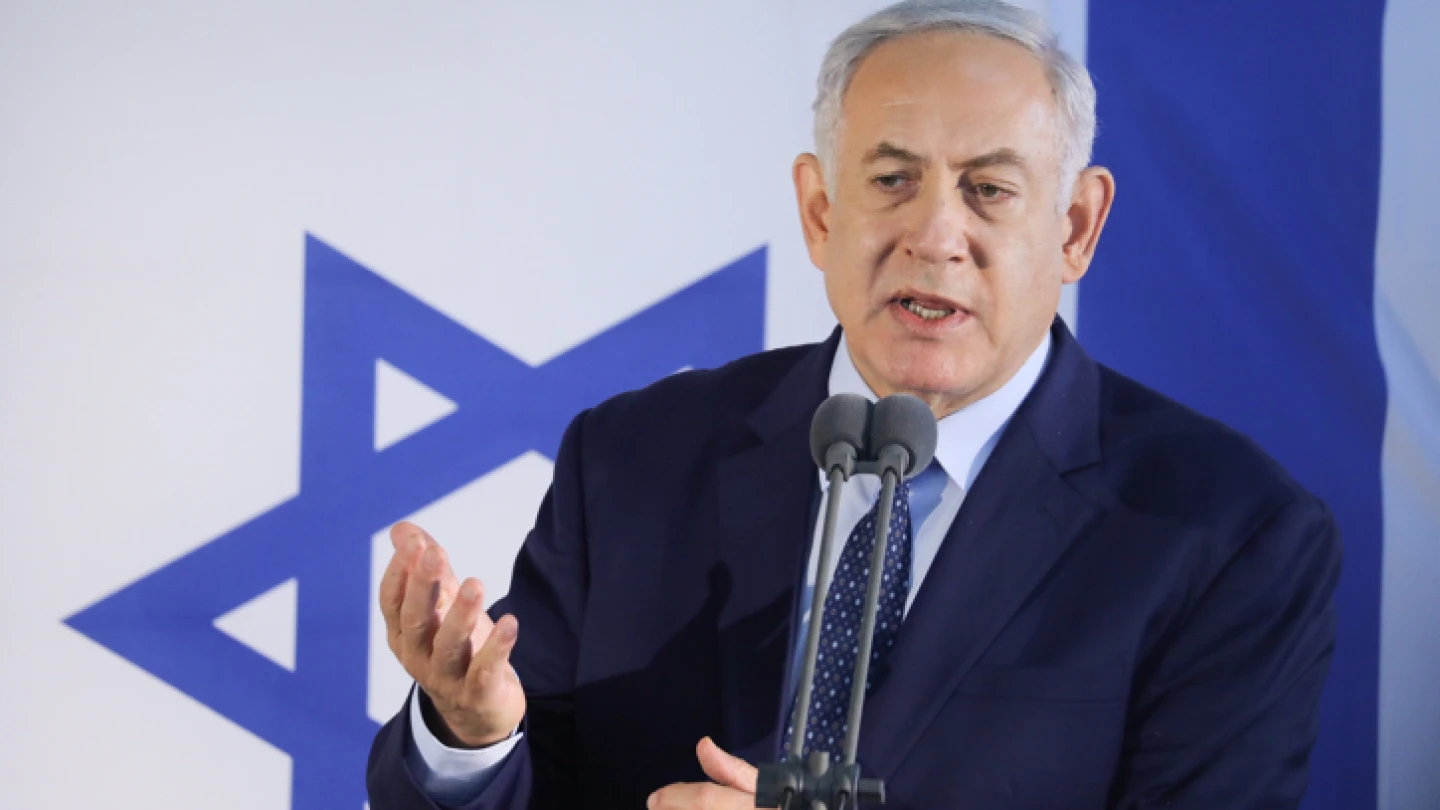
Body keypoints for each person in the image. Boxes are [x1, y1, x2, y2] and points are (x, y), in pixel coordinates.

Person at [365, 2, 1341, 808]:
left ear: (1076, 226)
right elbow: (539, 780)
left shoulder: (1228, 533)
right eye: (892, 180)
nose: (935, 235)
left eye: (989, 190)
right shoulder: (632, 458)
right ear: (820, 210)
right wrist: (470, 740)